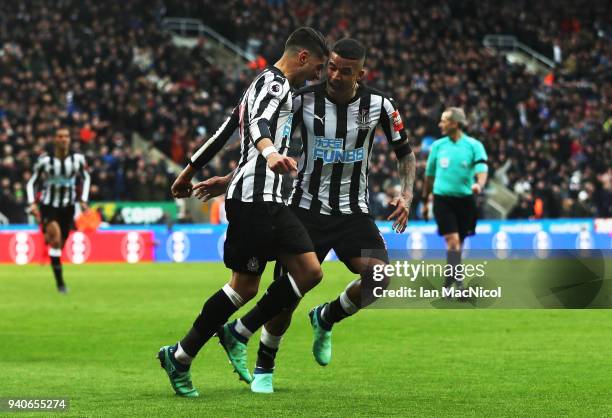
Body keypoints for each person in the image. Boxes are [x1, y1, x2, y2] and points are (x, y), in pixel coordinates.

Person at [196, 38, 416, 393]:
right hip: (305, 209)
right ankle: (265, 367)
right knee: (287, 295)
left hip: (353, 212)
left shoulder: (380, 106)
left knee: (379, 278)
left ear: (361, 73)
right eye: (330, 66)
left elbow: (405, 154)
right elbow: (269, 140)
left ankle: (326, 316)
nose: (335, 75)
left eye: (346, 71)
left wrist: (407, 195)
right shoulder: (302, 100)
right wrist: (231, 177)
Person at [157, 27, 329, 398]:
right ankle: (181, 356)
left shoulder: (263, 84)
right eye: (317, 66)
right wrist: (269, 154)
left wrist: (194, 170)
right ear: (302, 57)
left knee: (310, 271)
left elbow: (224, 131)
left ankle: (239, 331)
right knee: (243, 287)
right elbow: (257, 125)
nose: (318, 74)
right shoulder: (274, 84)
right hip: (253, 202)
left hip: (268, 199)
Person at [421, 107, 488, 295]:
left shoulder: (474, 146)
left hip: (465, 201)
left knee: (459, 244)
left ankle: (449, 281)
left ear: (455, 124)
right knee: (453, 241)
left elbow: (482, 168)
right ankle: (457, 285)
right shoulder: (438, 146)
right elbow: (429, 176)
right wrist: (426, 202)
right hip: (443, 199)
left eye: (444, 120)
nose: (440, 124)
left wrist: (479, 185)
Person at [26, 126, 91, 293]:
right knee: (55, 240)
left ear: (70, 139)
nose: (64, 139)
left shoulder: (77, 159)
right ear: (55, 139)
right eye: (60, 136)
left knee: (60, 244)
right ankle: (60, 284)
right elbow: (32, 182)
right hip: (49, 205)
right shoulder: (45, 161)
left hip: (68, 207)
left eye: (66, 136)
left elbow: (86, 178)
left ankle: (48, 238)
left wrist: (83, 200)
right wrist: (32, 202)